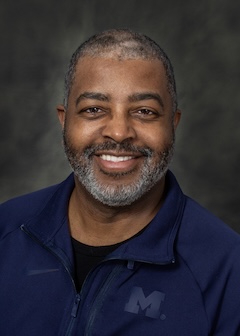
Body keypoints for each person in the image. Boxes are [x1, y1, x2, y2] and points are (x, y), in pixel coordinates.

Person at [0, 29, 240, 336]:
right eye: (94, 109)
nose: (118, 132)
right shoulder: (6, 228)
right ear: (64, 120)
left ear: (173, 124)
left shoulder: (228, 270)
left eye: (144, 111)